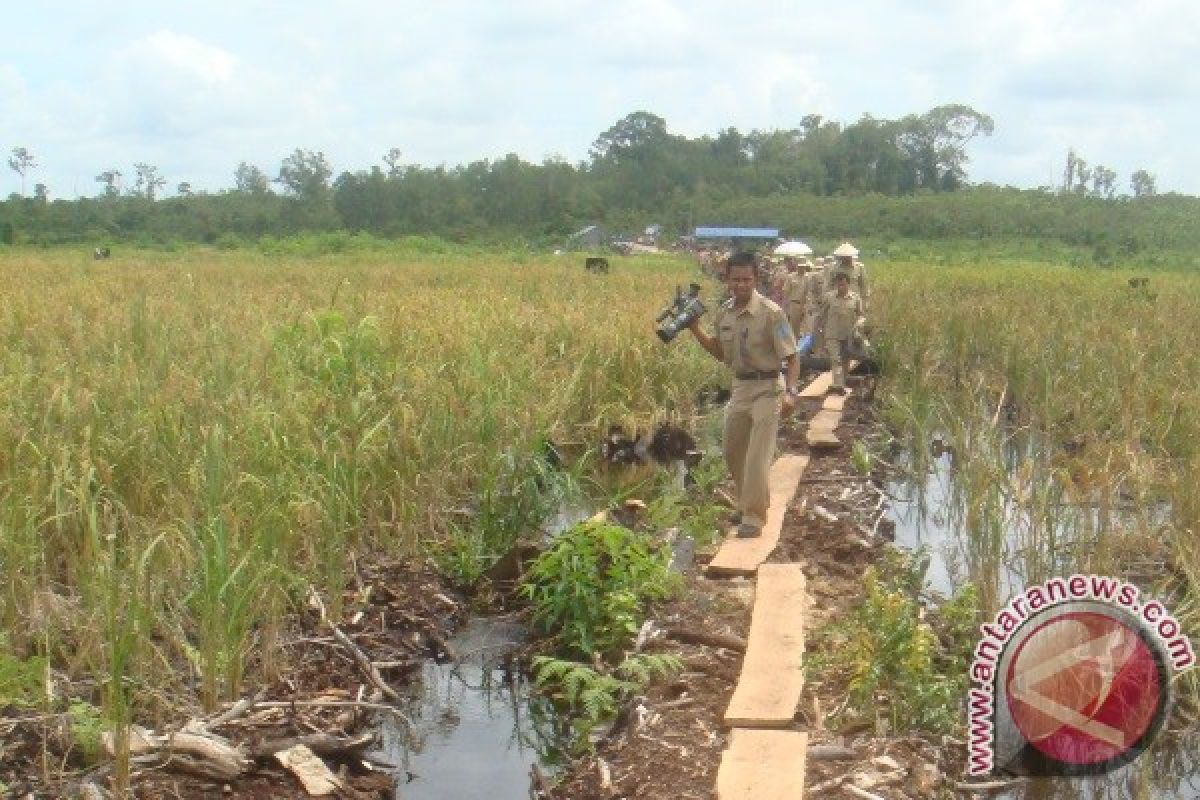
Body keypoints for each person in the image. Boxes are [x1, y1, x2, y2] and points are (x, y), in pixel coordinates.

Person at [688, 252, 800, 537]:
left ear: (756, 280)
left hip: (768, 388)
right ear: (726, 280)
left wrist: (791, 392)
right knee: (732, 450)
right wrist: (695, 329)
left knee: (757, 456)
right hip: (741, 388)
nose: (741, 285)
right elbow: (720, 353)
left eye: (746, 280)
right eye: (735, 279)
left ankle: (753, 516)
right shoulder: (725, 313)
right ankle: (746, 501)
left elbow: (793, 356)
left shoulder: (771, 312)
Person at [817, 271, 865, 394]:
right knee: (835, 359)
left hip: (848, 334)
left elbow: (861, 315)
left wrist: (859, 325)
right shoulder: (829, 297)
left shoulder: (855, 298)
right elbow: (821, 314)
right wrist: (819, 330)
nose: (841, 287)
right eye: (838, 285)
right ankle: (837, 384)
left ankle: (842, 383)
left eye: (843, 285)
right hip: (832, 333)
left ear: (848, 284)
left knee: (845, 360)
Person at [827, 242, 869, 312]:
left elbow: (864, 285)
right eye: (843, 256)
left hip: (854, 302)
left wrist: (866, 302)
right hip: (838, 301)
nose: (845, 258)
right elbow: (829, 284)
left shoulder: (859, 267)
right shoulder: (834, 268)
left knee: (855, 321)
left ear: (851, 256)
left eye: (848, 256)